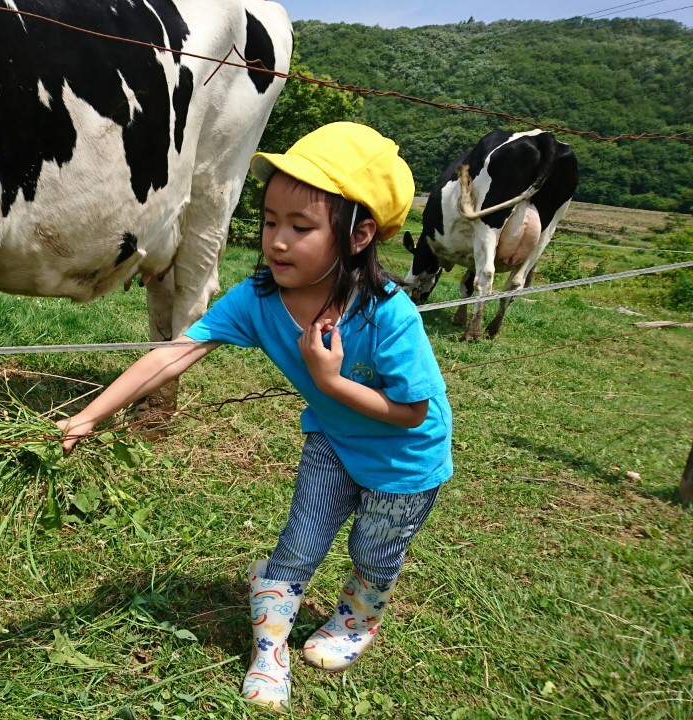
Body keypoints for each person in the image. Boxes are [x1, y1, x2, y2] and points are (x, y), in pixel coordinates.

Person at [57, 122, 453, 712]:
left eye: (302, 227)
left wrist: (328, 381)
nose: (278, 241)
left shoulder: (388, 314)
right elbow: (174, 354)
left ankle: (356, 620)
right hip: (331, 445)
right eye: (270, 222)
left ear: (359, 233)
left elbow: (411, 412)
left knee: (375, 553)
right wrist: (89, 415)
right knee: (298, 546)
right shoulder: (257, 300)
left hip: (405, 458)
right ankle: (270, 650)